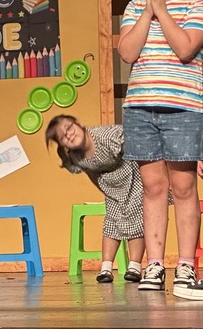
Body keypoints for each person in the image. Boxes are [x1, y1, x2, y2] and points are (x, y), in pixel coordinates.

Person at [116, 0, 203, 298]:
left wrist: (163, 12)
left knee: (183, 187)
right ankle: (154, 263)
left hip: (182, 106)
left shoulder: (197, 5)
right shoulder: (136, 6)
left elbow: (185, 49)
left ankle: (185, 264)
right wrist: (149, 11)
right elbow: (127, 51)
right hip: (140, 107)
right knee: (153, 189)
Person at [44, 114, 146, 283]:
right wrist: (104, 189)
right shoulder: (75, 156)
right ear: (62, 145)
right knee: (112, 221)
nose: (68, 135)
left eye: (69, 128)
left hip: (132, 174)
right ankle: (106, 267)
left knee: (136, 218)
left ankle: (135, 265)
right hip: (110, 183)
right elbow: (91, 173)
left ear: (79, 123)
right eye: (62, 137)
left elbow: (136, 144)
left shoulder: (107, 136)